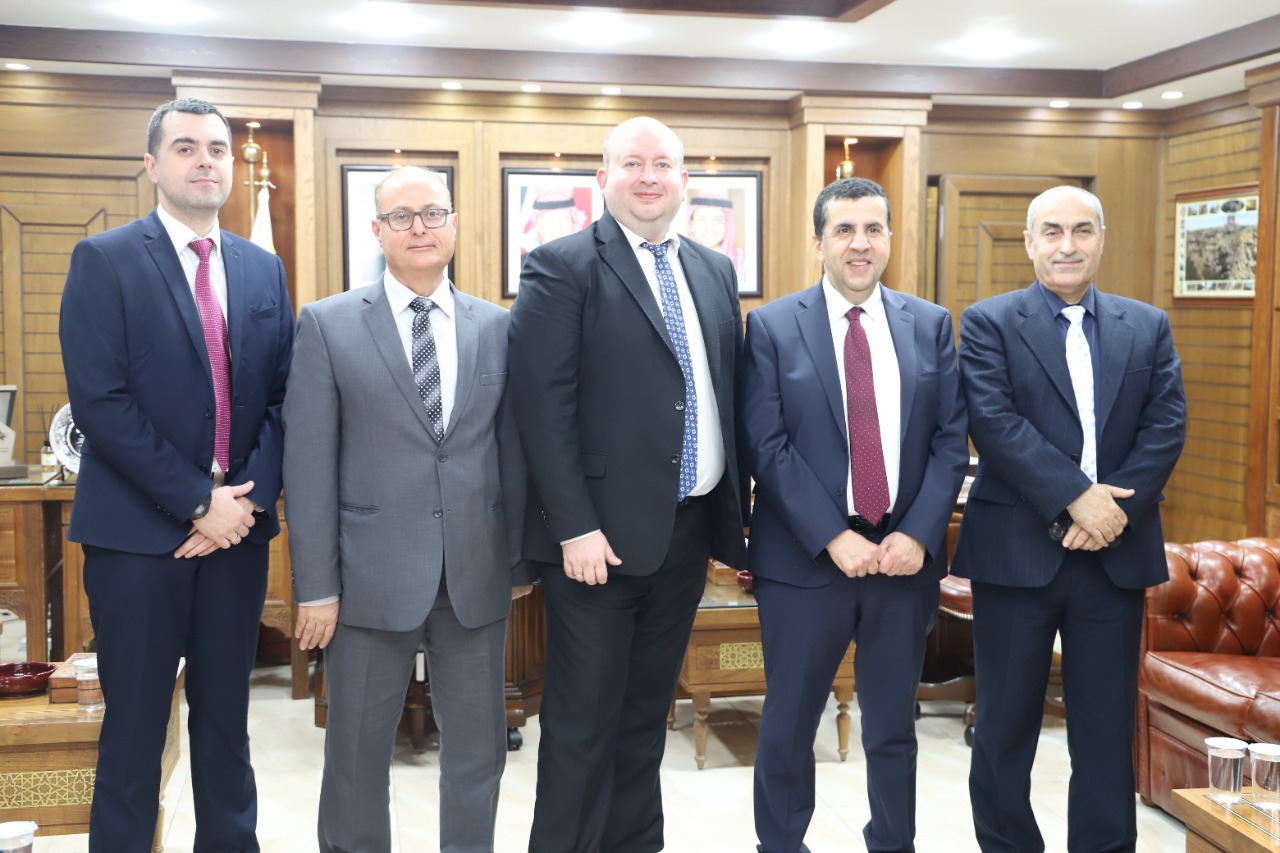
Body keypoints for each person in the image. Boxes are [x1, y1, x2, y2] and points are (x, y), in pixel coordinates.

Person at [58, 97, 294, 850]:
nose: (205, 161)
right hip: (137, 539)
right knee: (134, 730)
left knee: (226, 725)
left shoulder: (262, 267)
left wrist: (239, 508)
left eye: (217, 148)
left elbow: (283, 399)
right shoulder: (105, 260)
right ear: (153, 165)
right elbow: (101, 402)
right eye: (186, 147)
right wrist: (197, 502)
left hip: (237, 537)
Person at [509, 116, 749, 852]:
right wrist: (574, 527)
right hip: (598, 544)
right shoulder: (561, 265)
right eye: (633, 163)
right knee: (582, 726)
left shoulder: (713, 270)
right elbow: (541, 408)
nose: (649, 176)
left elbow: (722, 393)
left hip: (685, 535)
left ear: (684, 180)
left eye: (663, 164)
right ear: (603, 178)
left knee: (646, 720)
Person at [283, 165, 531, 852]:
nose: (419, 227)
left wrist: (516, 561)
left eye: (432, 213)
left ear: (453, 223)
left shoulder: (497, 326)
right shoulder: (328, 325)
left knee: (479, 752)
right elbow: (308, 467)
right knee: (357, 757)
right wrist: (317, 587)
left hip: (474, 576)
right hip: (367, 579)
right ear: (377, 230)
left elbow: (513, 453)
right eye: (401, 216)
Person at [952, 185, 1186, 853]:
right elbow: (994, 423)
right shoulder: (989, 322)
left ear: (1101, 239)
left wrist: (1113, 512)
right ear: (1029, 242)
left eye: (1082, 231)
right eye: (1052, 232)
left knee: (1106, 731)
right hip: (1016, 555)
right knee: (1004, 730)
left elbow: (1166, 426)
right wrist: (1076, 498)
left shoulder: (1147, 325)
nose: (1067, 245)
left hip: (1114, 556)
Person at [740, 177, 969, 853]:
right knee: (790, 722)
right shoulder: (773, 326)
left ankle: (893, 843)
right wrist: (833, 535)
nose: (859, 243)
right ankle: (781, 845)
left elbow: (950, 441)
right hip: (805, 561)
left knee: (893, 727)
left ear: (890, 240)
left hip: (902, 563)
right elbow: (766, 445)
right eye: (843, 230)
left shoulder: (930, 324)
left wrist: (918, 535)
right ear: (818, 243)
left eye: (873, 229)